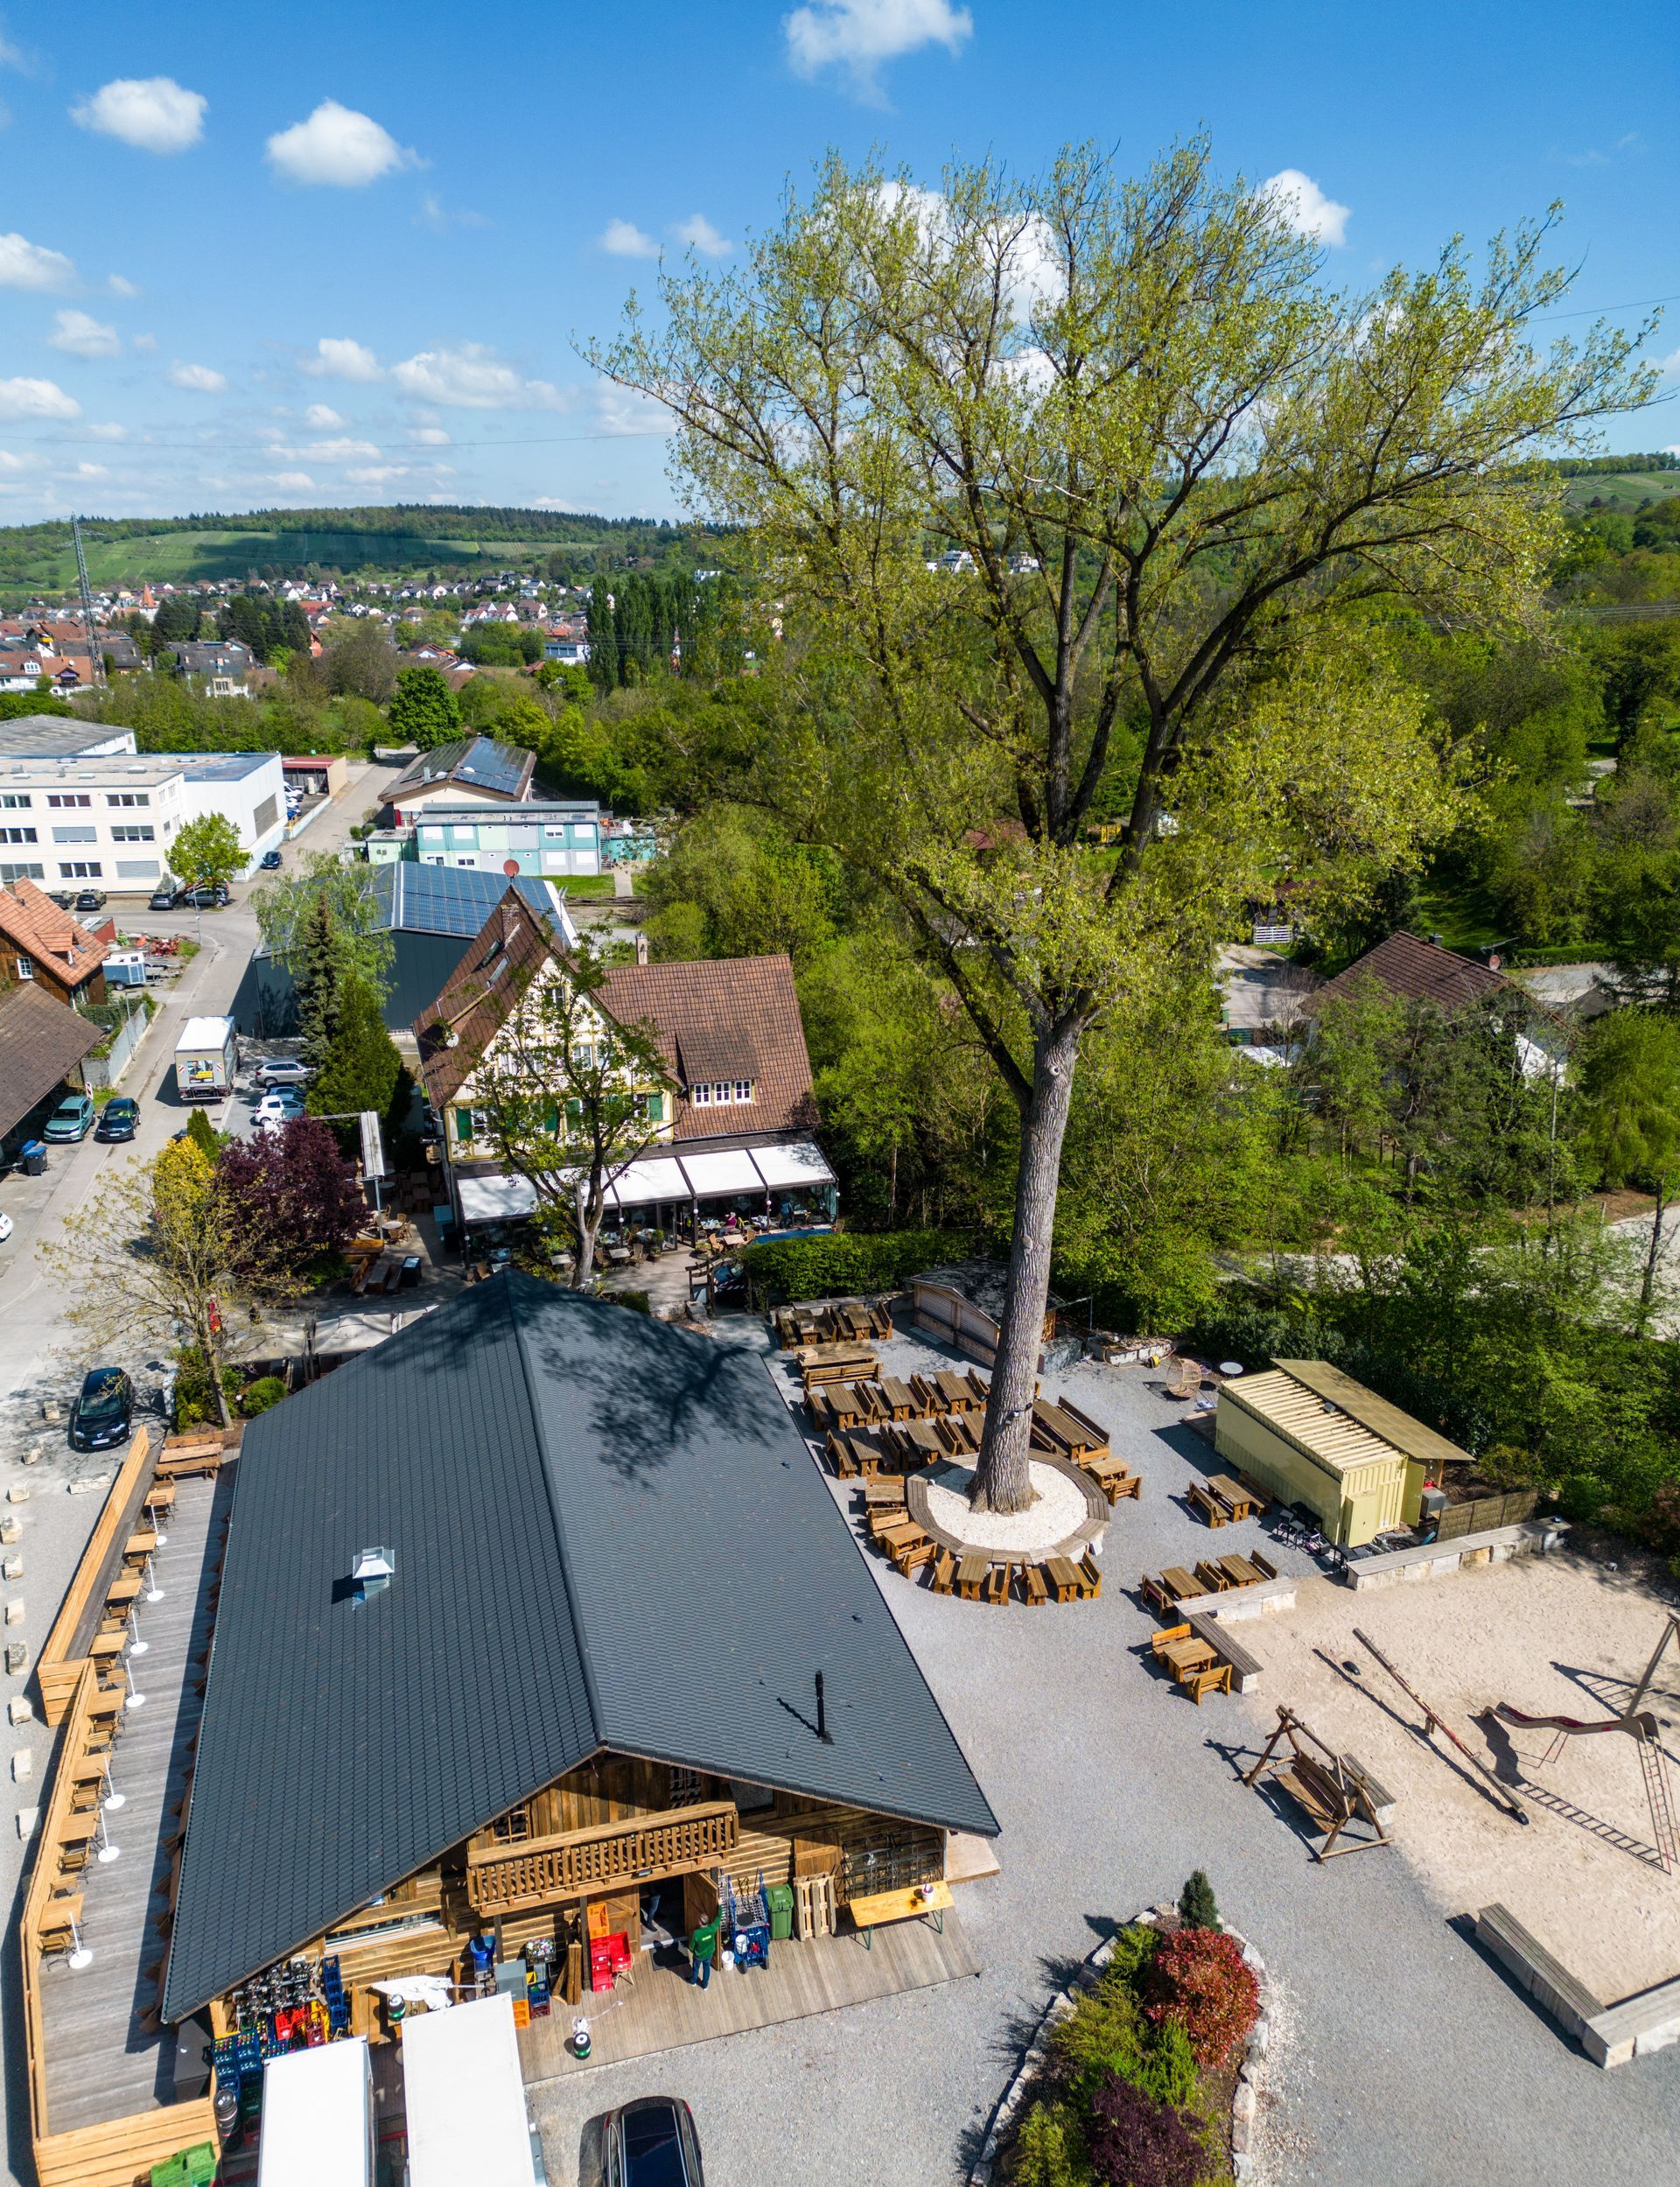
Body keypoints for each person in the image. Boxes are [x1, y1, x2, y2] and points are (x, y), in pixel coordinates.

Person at [689, 1913, 720, 1988]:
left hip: (699, 1956)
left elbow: (691, 1947)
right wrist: (720, 1907)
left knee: (696, 1968)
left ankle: (693, 1981)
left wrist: (694, 1952)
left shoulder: (696, 1933)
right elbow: (718, 1918)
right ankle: (704, 1985)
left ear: (700, 1922)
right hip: (709, 1954)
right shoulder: (712, 1928)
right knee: (707, 1968)